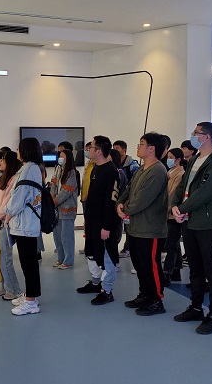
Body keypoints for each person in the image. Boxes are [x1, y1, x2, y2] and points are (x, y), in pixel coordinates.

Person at [172, 122, 212, 335]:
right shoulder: (195, 159)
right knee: (195, 268)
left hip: (208, 222)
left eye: (196, 133)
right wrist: (175, 205)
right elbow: (183, 186)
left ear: (207, 137)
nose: (193, 135)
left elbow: (205, 192)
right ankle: (195, 307)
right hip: (190, 221)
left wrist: (182, 208)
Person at [116, 132, 168, 316]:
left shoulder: (158, 170)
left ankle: (156, 300)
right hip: (136, 227)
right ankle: (145, 294)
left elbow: (142, 199)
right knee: (140, 265)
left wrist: (126, 208)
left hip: (150, 228)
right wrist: (120, 203)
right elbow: (129, 189)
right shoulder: (141, 168)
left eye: (141, 144)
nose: (138, 147)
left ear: (151, 148)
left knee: (151, 265)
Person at [77, 136, 121, 305]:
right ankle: (95, 283)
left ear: (99, 151)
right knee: (91, 252)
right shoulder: (95, 167)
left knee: (106, 256)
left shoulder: (111, 171)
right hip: (92, 220)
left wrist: (107, 226)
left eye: (91, 147)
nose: (88, 149)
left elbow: (110, 201)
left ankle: (107, 290)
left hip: (104, 223)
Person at [4, 137, 43, 316]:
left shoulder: (29, 169)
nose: (17, 152)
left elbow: (18, 198)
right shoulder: (30, 168)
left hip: (25, 224)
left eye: (19, 148)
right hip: (25, 223)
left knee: (29, 264)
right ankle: (30, 296)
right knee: (28, 263)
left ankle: (31, 302)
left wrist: (7, 212)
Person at [0, 151, 23, 300]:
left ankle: (13, 289)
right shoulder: (3, 178)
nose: (0, 162)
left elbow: (6, 203)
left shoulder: (14, 179)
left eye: (2, 160)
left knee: (5, 257)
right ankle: (2, 286)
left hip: (3, 223)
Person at [50, 149, 79, 269]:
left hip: (67, 209)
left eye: (62, 156)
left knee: (66, 236)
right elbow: (53, 184)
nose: (60, 158)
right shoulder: (58, 170)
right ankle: (60, 258)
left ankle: (68, 260)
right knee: (57, 236)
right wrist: (52, 198)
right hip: (57, 209)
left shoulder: (72, 173)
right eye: (59, 156)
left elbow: (67, 190)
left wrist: (55, 201)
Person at [162, 148, 186, 285]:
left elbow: (172, 194)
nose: (168, 160)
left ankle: (167, 272)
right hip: (167, 213)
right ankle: (176, 271)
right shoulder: (169, 171)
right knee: (174, 243)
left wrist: (164, 208)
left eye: (171, 157)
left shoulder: (180, 174)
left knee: (171, 244)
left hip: (172, 213)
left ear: (178, 159)